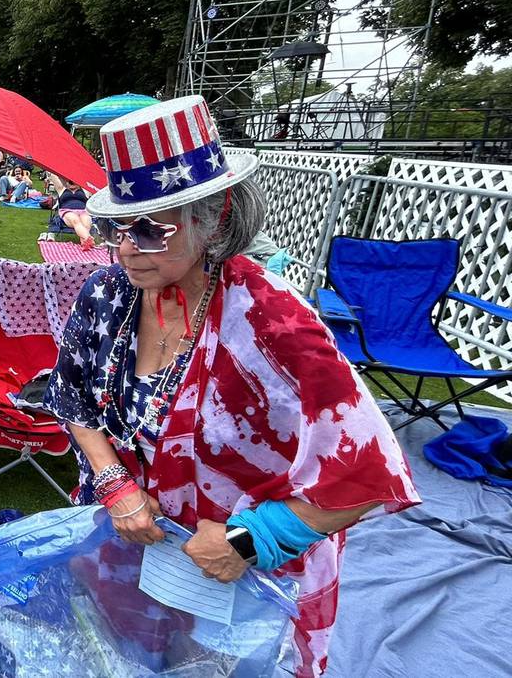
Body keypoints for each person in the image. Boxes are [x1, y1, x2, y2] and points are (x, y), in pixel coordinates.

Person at [43, 96, 418, 678]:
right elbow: (74, 402)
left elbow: (371, 474)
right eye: (117, 227)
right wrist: (114, 481)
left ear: (212, 217)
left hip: (239, 577)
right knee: (120, 657)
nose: (123, 249)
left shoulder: (273, 322)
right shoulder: (107, 294)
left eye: (149, 230)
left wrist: (251, 540)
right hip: (132, 545)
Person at [48, 173, 96, 249]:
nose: (72, 183)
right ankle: (88, 238)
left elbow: (92, 178)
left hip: (83, 211)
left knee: (86, 223)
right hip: (67, 210)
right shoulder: (62, 189)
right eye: (70, 181)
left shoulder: (85, 190)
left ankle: (85, 243)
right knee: (75, 220)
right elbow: (53, 175)